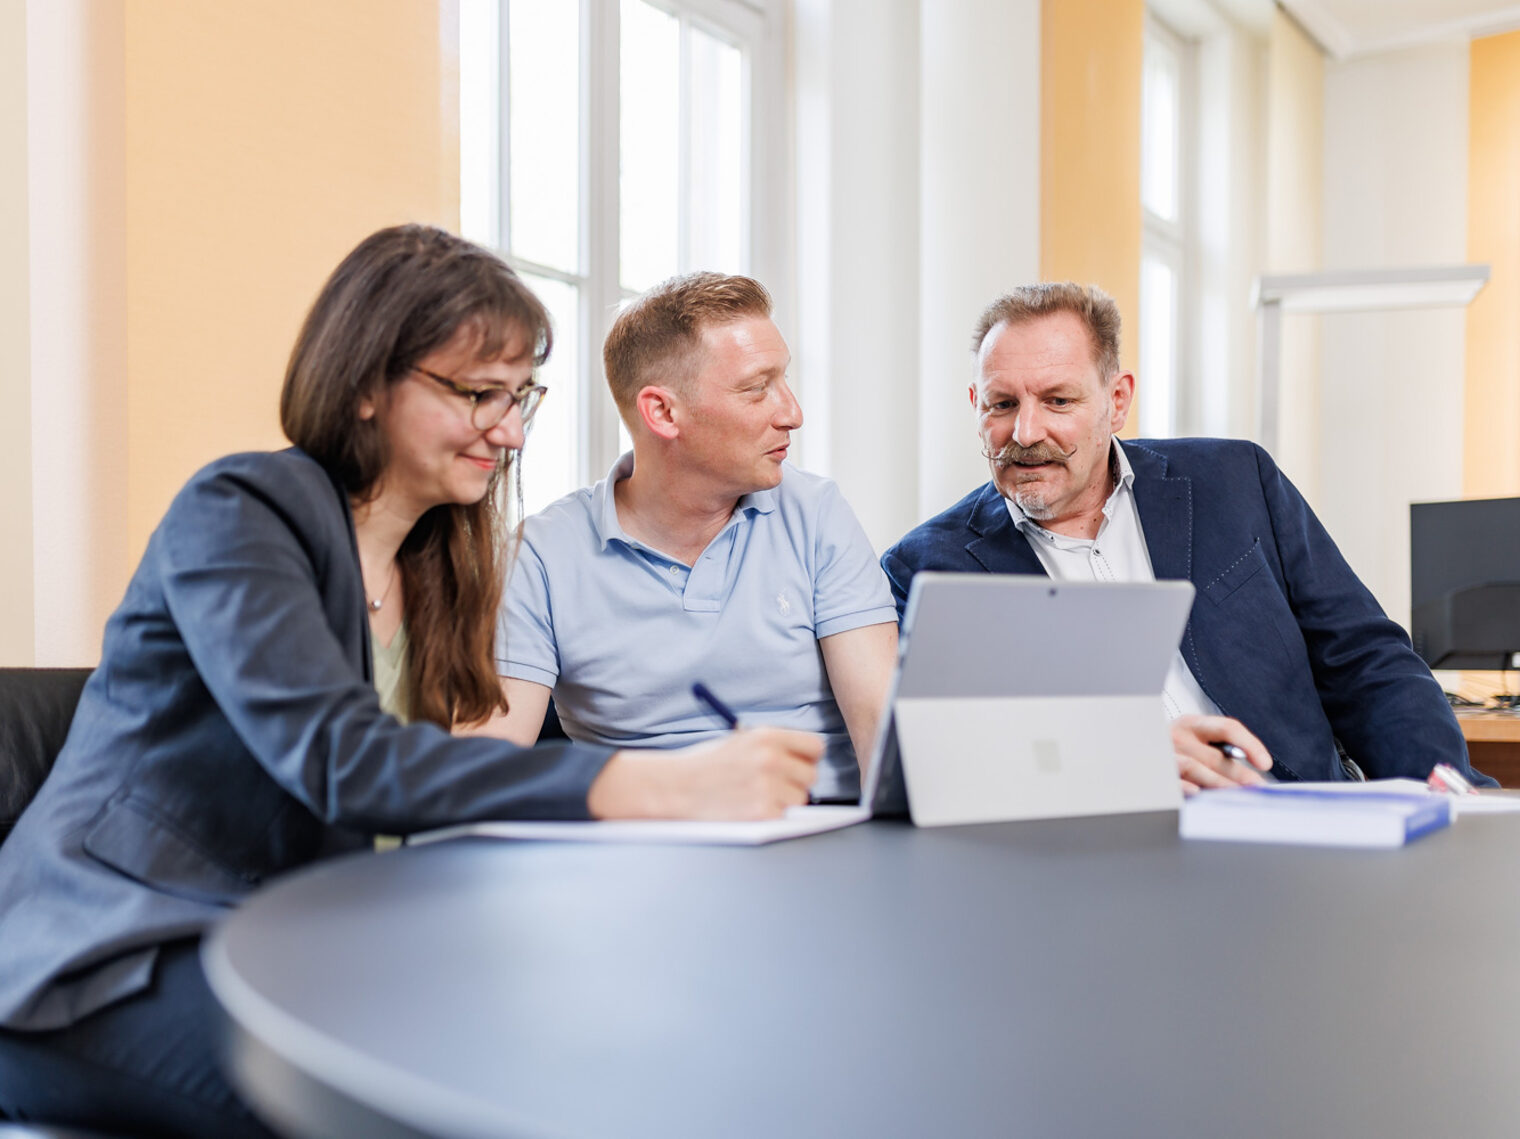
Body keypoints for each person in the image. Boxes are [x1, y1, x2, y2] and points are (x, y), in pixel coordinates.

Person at [0, 226, 823, 1136]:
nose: (507, 431)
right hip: (94, 967)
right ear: (363, 385)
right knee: (419, 1104)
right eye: (477, 394)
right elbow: (345, 760)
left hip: (286, 940)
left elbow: (443, 782)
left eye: (520, 398)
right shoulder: (239, 511)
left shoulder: (439, 562)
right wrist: (644, 780)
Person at [880, 281, 1490, 791]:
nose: (1026, 430)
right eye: (1002, 404)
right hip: (1110, 868)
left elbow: (1365, 658)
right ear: (975, 406)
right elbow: (949, 762)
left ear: (1117, 401)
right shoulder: (927, 568)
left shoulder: (1234, 480)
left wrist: (1446, 792)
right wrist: (1127, 763)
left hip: (1308, 828)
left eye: (1058, 400)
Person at [482, 272, 898, 802]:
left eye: (784, 380)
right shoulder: (541, 554)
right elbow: (492, 769)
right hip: (641, 839)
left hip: (819, 824)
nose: (792, 413)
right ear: (662, 412)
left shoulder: (816, 513)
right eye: (756, 389)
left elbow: (880, 733)